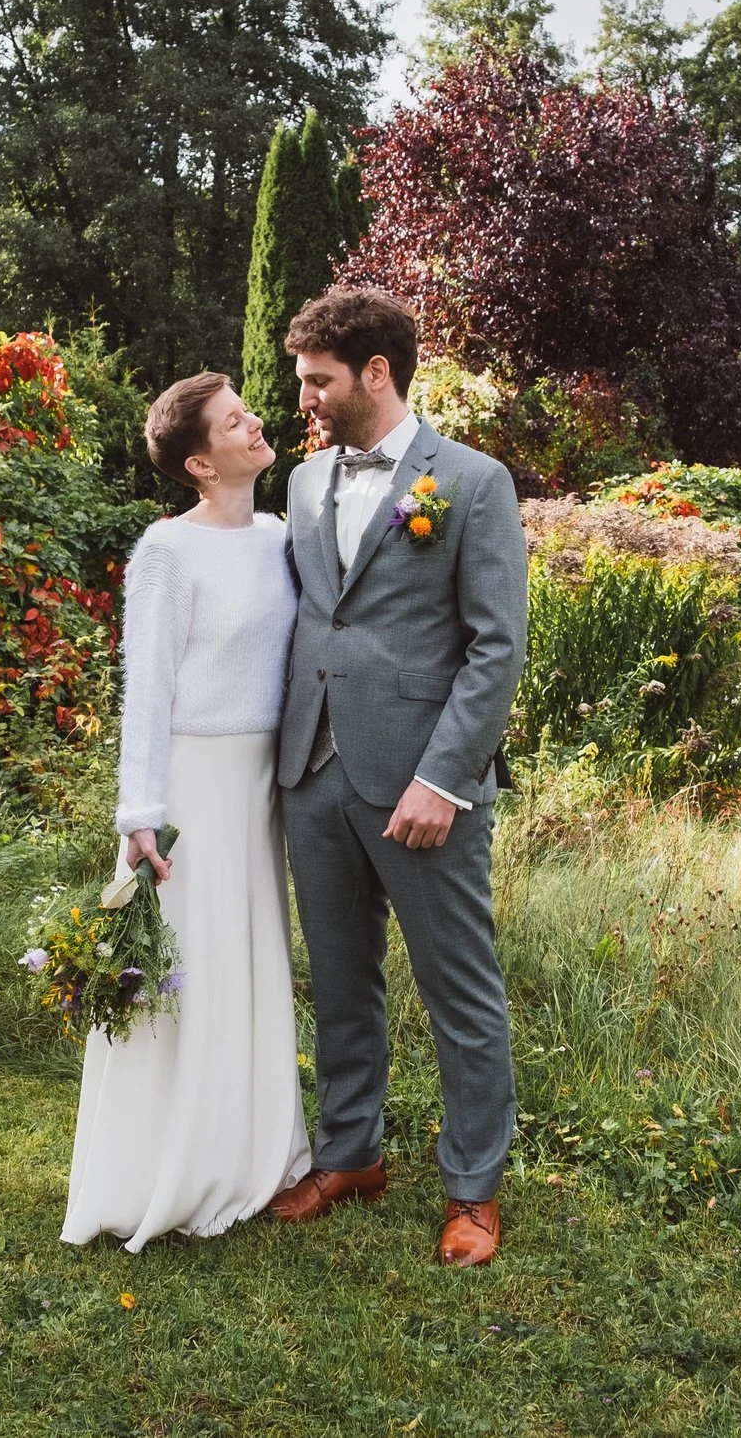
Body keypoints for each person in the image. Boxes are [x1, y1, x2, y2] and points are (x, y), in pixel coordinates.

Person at [264, 288, 529, 1267]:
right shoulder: (298, 484)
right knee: (338, 981)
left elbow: (496, 648)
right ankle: (349, 1154)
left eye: (317, 379)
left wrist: (445, 777)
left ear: (375, 372)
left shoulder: (470, 480)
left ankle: (472, 1188)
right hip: (314, 770)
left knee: (458, 988)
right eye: (303, 379)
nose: (304, 396)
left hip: (422, 783)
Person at [60, 372, 313, 1252]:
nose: (255, 422)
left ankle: (257, 1146)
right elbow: (149, 687)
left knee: (250, 956)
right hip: (193, 784)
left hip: (263, 784)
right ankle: (171, 1158)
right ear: (202, 461)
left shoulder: (284, 535)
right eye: (234, 420)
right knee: (188, 966)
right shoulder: (167, 550)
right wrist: (141, 810)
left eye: (248, 409)